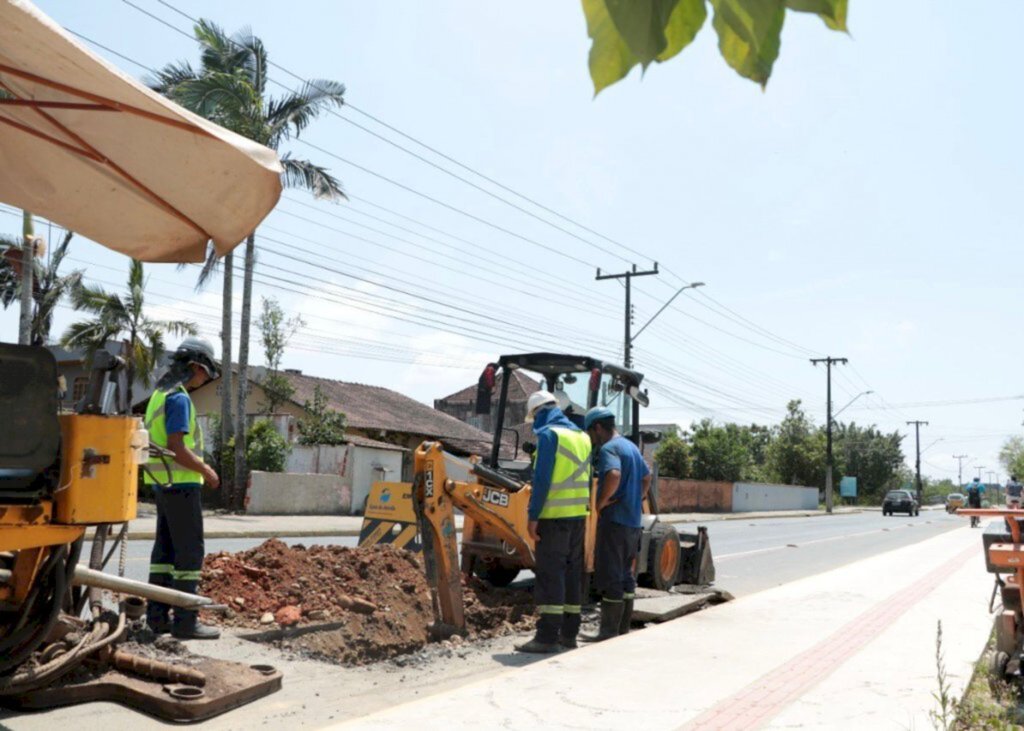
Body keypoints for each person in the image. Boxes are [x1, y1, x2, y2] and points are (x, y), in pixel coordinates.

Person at [144, 337, 222, 640]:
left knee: (164, 552)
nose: (204, 380)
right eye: (205, 373)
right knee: (189, 554)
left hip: (162, 485)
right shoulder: (178, 398)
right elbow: (177, 447)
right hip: (182, 485)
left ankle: (158, 617)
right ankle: (186, 622)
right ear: (195, 367)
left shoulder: (157, 396)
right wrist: (206, 469)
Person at [514, 391, 592, 654]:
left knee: (550, 575)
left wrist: (533, 516)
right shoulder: (583, 437)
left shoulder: (549, 436)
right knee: (571, 575)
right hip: (578, 518)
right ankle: (569, 635)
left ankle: (546, 637)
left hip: (552, 518)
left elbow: (542, 480)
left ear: (537, 413)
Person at [581, 406, 651, 642]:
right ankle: (622, 629)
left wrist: (601, 503)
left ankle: (608, 631)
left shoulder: (609, 448)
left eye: (591, 433)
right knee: (626, 576)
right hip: (632, 522)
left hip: (614, 522)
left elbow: (613, 475)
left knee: (611, 576)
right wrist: (638, 498)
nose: (591, 438)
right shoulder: (630, 446)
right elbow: (647, 476)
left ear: (598, 428)